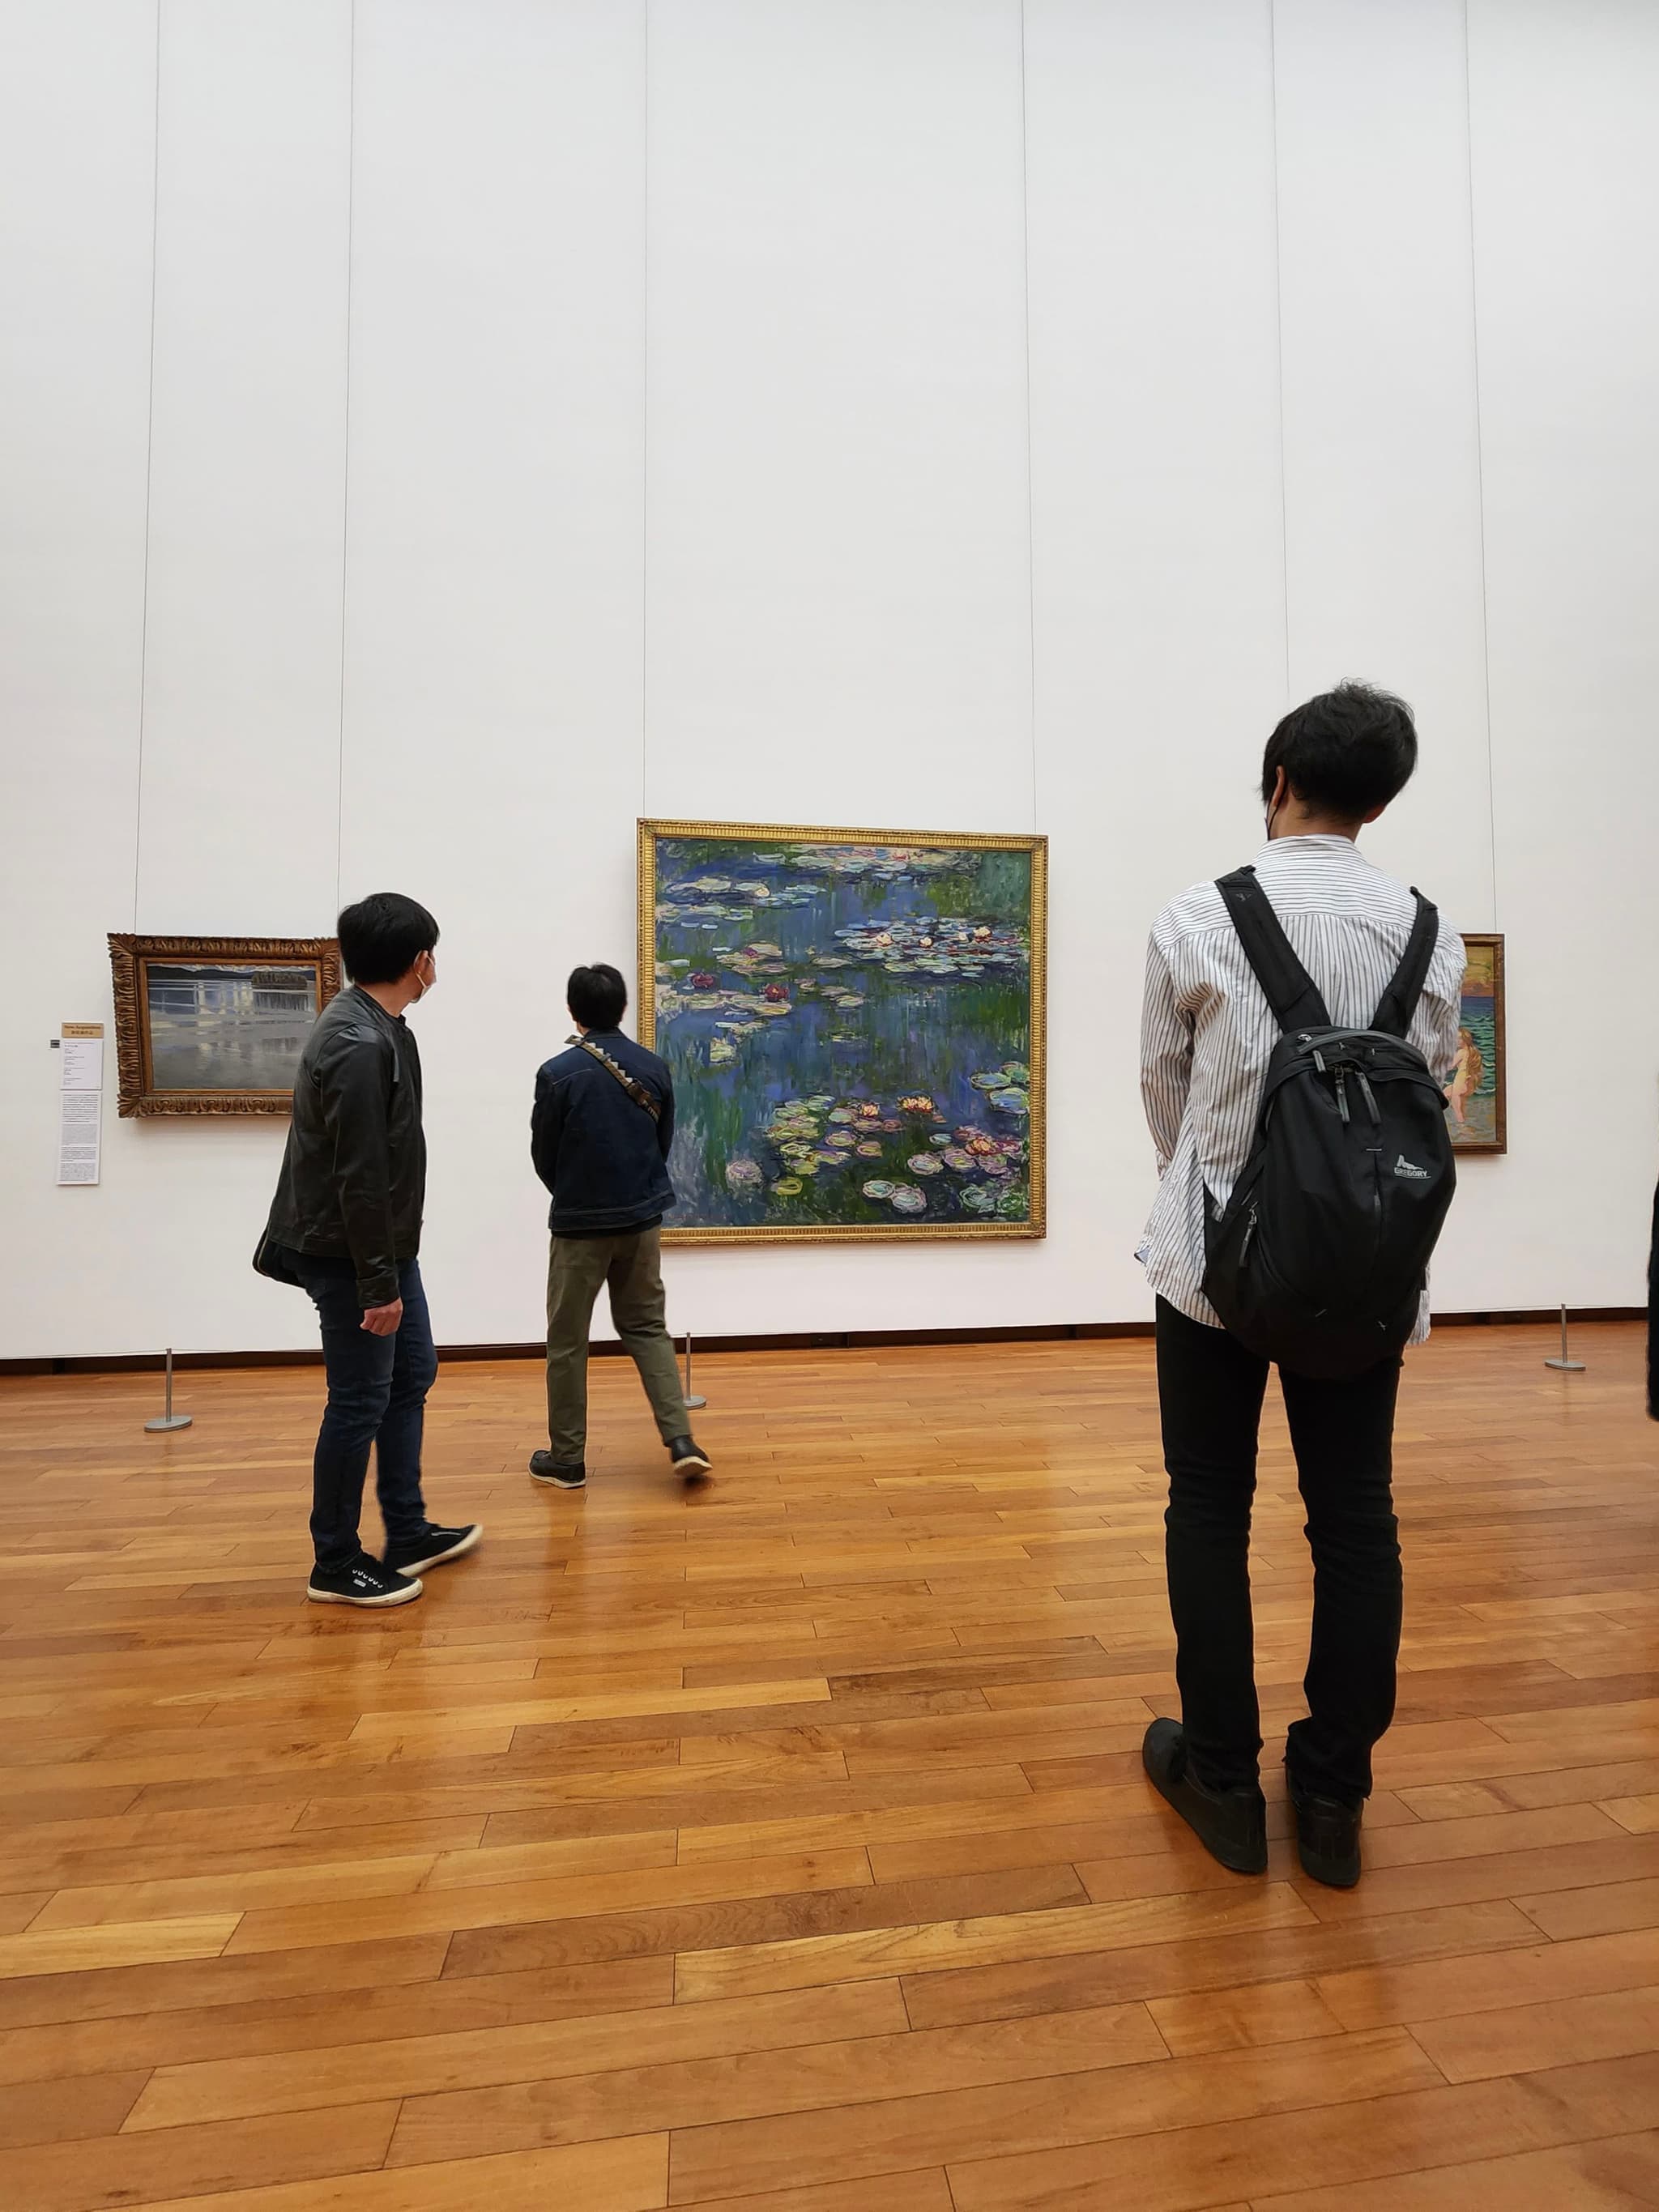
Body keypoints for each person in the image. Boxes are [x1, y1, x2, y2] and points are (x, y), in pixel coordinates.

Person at [1137, 683, 1464, 1887]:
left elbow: (1162, 1097)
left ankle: (1221, 1774)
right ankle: (1332, 1793)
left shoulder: (1197, 915)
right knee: (1356, 1519)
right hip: (1364, 1275)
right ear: (1381, 800)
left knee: (1210, 1509)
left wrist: (1220, 1181)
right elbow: (1429, 1095)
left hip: (1212, 1266)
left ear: (1277, 777)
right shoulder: (1429, 931)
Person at [255, 893, 480, 1607]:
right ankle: (335, 1559)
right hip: (350, 1254)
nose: (434, 966)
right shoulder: (358, 1043)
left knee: (412, 1373)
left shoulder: (384, 1027)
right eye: (432, 954)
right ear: (419, 962)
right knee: (357, 1399)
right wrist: (378, 1283)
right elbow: (358, 1173)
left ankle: (407, 1531)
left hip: (378, 1247)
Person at [529, 963, 710, 1490]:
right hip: (641, 1219)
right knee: (648, 1327)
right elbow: (662, 1145)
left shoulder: (556, 1073)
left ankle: (567, 1459)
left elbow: (544, 1155)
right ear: (623, 1009)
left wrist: (577, 1195)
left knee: (567, 1340)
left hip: (580, 1226)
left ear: (572, 1010)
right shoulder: (653, 1067)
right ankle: (680, 1439)